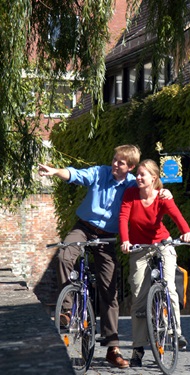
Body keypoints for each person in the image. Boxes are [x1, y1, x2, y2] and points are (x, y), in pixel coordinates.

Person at [38, 145, 172, 369]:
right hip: (84, 227)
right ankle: (67, 311)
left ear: (129, 167)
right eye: (114, 159)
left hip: (108, 238)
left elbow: (151, 188)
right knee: (64, 255)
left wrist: (165, 192)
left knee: (110, 290)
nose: (114, 164)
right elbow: (76, 174)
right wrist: (55, 171)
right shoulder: (100, 173)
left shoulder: (132, 183)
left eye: (120, 162)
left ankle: (113, 348)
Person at [119, 159, 190, 367]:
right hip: (139, 247)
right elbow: (124, 217)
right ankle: (138, 348)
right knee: (138, 297)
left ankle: (176, 333)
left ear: (154, 177)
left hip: (162, 243)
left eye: (143, 174)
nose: (138, 178)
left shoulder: (162, 196)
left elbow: (177, 215)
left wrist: (186, 232)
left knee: (169, 286)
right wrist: (125, 240)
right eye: (138, 174)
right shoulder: (130, 194)